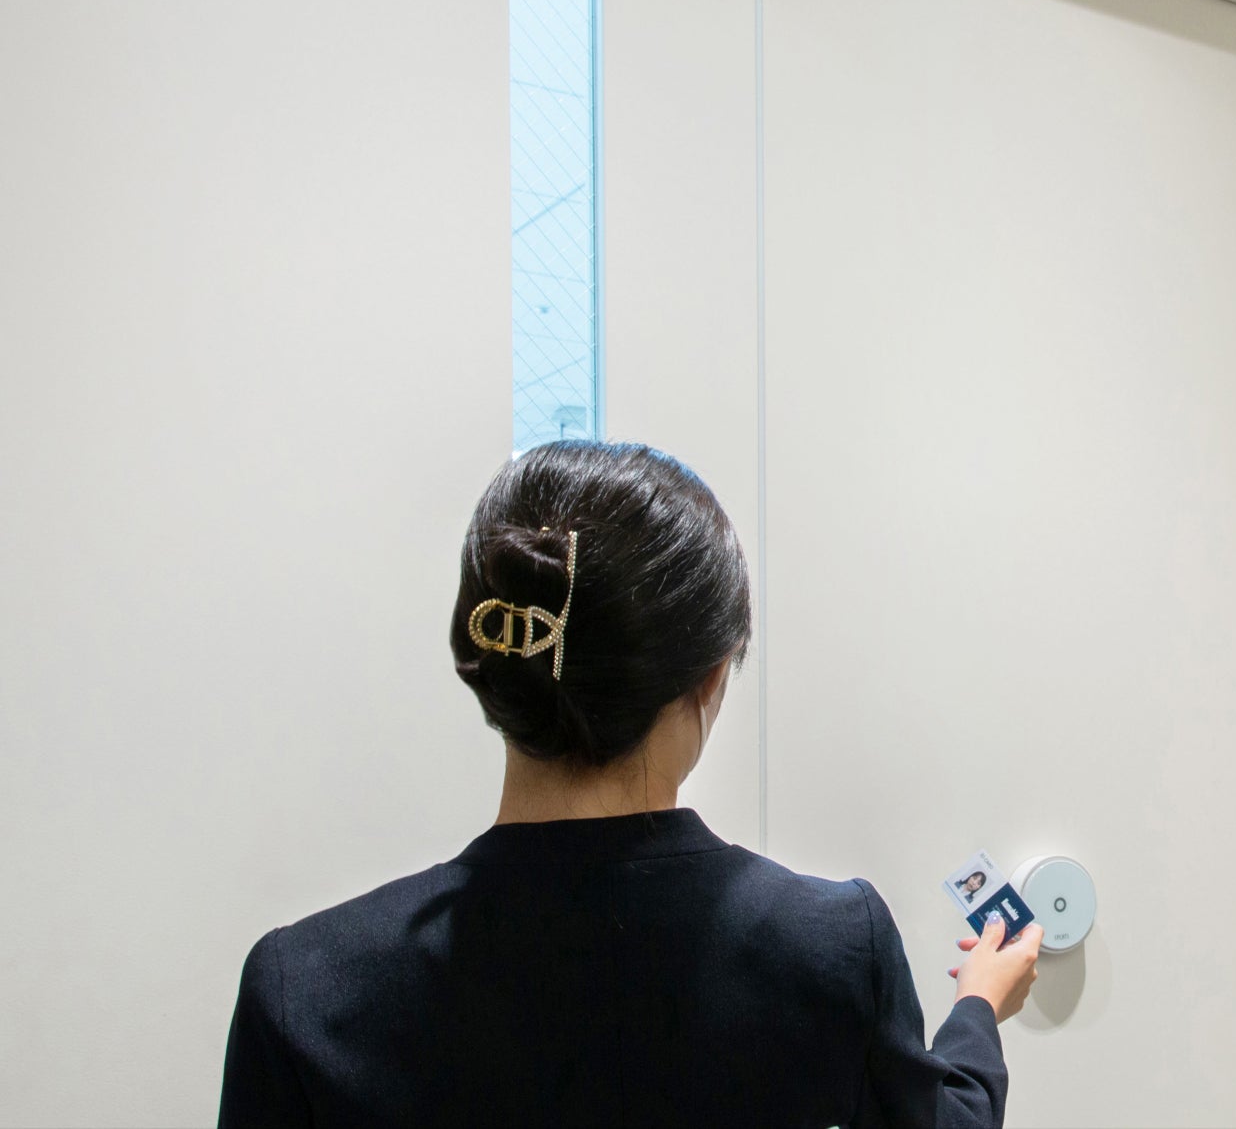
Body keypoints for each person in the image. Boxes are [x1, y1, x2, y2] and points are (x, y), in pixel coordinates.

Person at [218, 441, 1043, 1127]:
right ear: (711, 677)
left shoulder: (304, 989)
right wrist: (977, 1010)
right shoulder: (830, 952)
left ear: (494, 665)